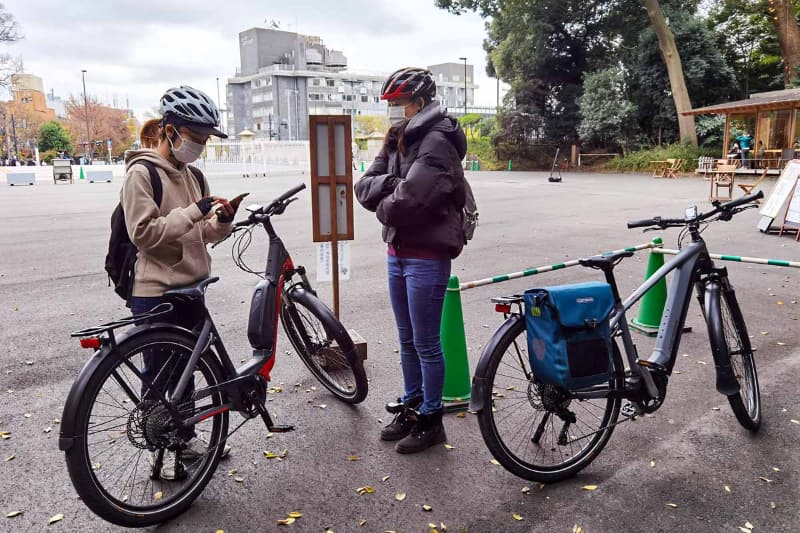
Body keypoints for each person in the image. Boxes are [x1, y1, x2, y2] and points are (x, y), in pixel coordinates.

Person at [122, 85, 236, 478]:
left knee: (187, 377)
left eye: (203, 140)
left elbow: (201, 234)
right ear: (170, 129)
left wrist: (219, 221)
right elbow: (144, 234)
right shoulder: (141, 173)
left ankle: (184, 444)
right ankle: (159, 458)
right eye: (194, 137)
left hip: (193, 288)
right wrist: (194, 211)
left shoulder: (194, 175)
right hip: (157, 293)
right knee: (159, 381)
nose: (199, 146)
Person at [355, 67, 468, 454]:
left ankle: (432, 419)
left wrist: (386, 195)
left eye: (398, 103)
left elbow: (407, 203)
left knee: (426, 343)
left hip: (426, 256)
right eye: (389, 104)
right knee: (407, 339)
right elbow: (363, 185)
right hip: (398, 252)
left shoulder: (438, 141)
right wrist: (390, 185)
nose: (392, 110)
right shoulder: (397, 135)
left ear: (419, 103)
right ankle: (413, 403)